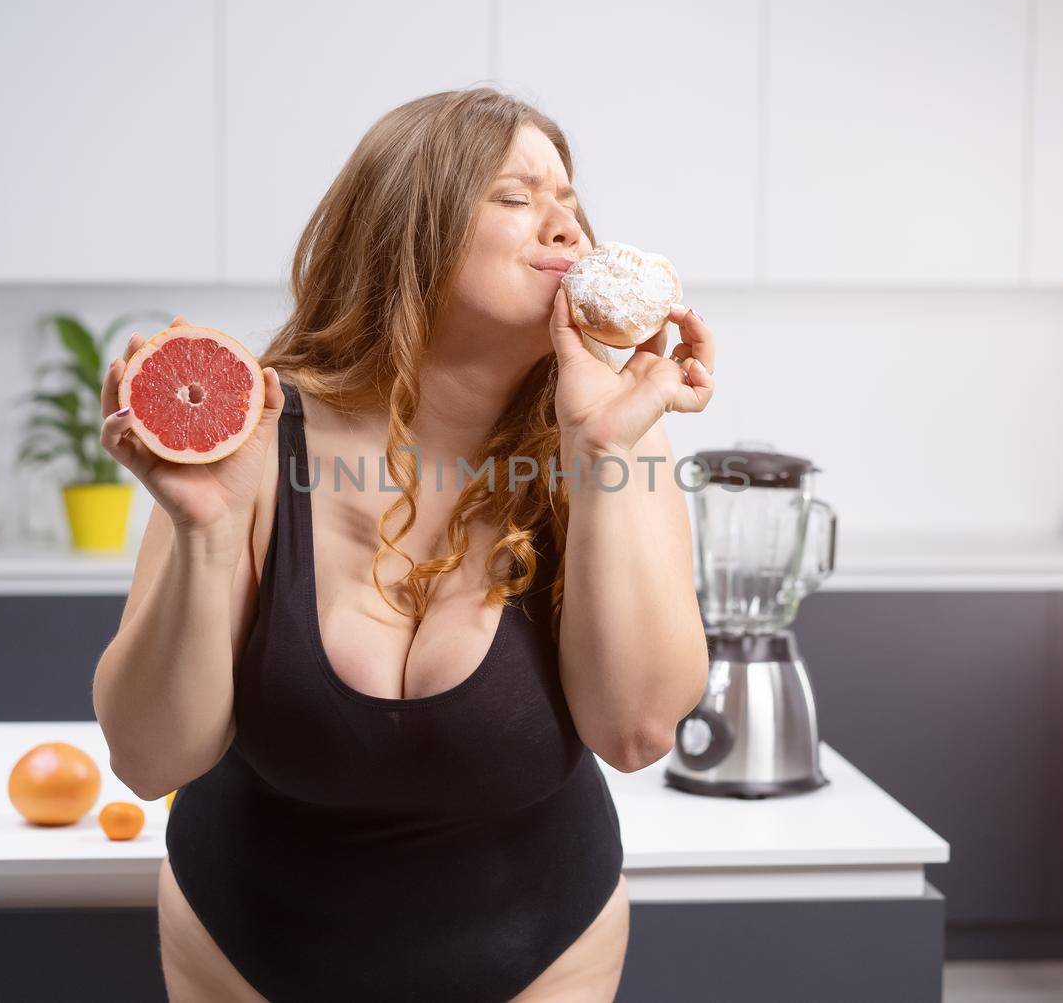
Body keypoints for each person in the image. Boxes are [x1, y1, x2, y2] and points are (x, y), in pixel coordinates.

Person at [92, 86, 717, 1002]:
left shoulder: (615, 436)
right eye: (515, 197)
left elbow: (634, 732)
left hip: (539, 950)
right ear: (404, 226)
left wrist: (605, 449)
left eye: (570, 203)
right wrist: (207, 535)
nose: (565, 227)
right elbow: (150, 760)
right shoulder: (260, 435)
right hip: (247, 948)